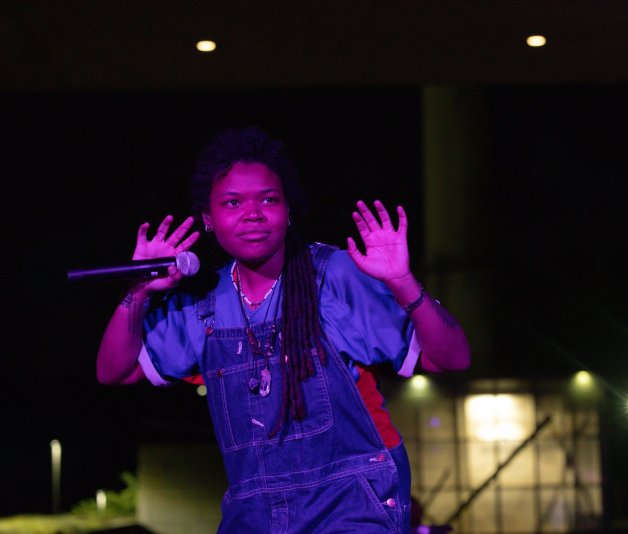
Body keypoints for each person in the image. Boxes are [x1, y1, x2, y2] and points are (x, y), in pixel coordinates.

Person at [96, 126, 470, 533]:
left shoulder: (333, 276)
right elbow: (116, 370)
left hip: (352, 499)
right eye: (233, 202)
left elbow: (450, 358)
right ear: (209, 218)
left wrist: (402, 282)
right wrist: (139, 292)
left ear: (288, 209)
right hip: (254, 510)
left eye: (269, 199)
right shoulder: (204, 303)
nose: (253, 213)